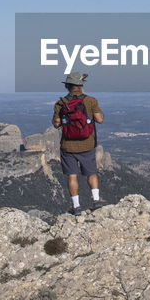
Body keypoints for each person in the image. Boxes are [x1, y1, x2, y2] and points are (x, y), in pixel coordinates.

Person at [53, 71, 105, 215]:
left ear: (68, 86)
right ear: (81, 86)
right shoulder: (91, 101)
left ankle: (76, 207)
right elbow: (99, 119)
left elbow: (56, 124)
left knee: (72, 175)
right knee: (92, 173)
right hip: (87, 144)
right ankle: (96, 200)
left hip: (68, 146)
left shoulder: (60, 103)